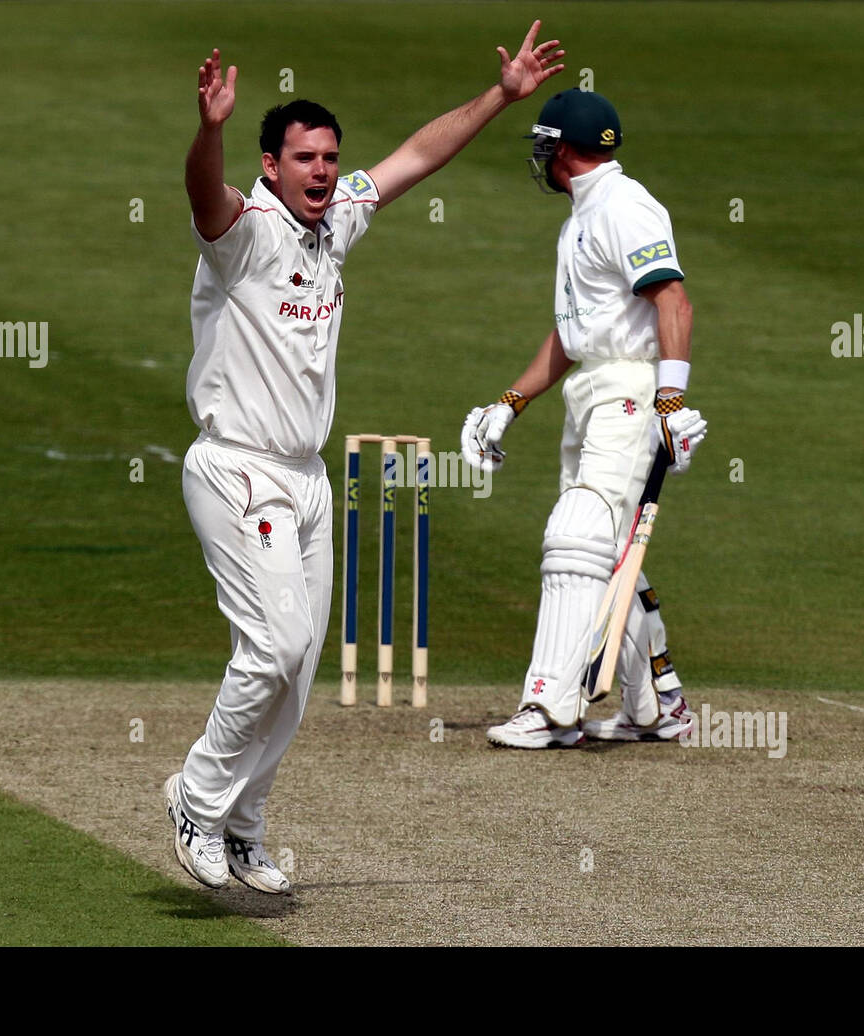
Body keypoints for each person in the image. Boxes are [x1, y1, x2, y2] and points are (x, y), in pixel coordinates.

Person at [165, 23, 567, 893]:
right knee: (273, 648)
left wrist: (501, 96)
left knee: (300, 670)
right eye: (304, 158)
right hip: (238, 468)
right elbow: (204, 196)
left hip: (307, 478)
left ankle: (243, 825)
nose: (321, 172)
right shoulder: (247, 230)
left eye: (328, 157)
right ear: (271, 164)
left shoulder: (333, 222)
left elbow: (415, 157)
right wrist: (211, 129)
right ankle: (195, 795)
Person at [461, 88, 708, 749]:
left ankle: (550, 708)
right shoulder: (582, 218)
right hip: (593, 392)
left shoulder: (623, 206)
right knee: (608, 547)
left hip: (628, 391)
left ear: (561, 149)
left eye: (543, 146)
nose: (540, 159)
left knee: (576, 536)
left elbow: (674, 302)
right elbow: (573, 335)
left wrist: (671, 404)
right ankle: (658, 705)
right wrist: (508, 404)